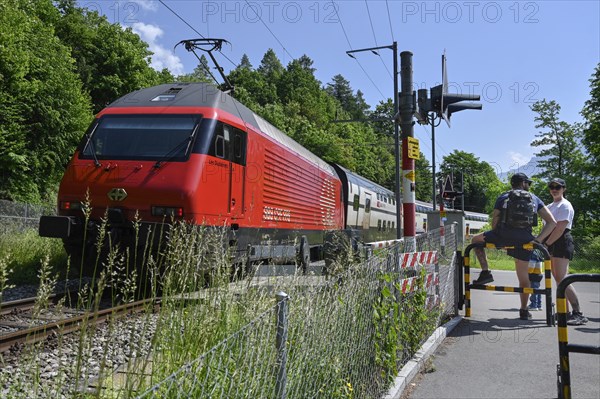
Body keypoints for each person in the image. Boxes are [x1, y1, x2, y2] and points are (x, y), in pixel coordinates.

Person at [471, 172, 556, 320]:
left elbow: (495, 220)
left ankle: (485, 272)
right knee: (523, 277)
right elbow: (552, 222)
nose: (529, 186)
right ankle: (523, 310)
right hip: (525, 240)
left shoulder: (503, 196)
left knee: (474, 240)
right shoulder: (535, 198)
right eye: (527, 183)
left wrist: (498, 239)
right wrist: (538, 240)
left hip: (502, 236)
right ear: (523, 183)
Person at [544, 177, 588, 325]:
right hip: (551, 242)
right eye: (552, 187)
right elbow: (547, 227)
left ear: (564, 189)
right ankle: (565, 312)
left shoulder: (565, 205)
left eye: (558, 187)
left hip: (561, 241)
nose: (554, 189)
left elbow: (560, 228)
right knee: (558, 279)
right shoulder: (549, 206)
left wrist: (547, 244)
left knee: (563, 279)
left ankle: (578, 313)